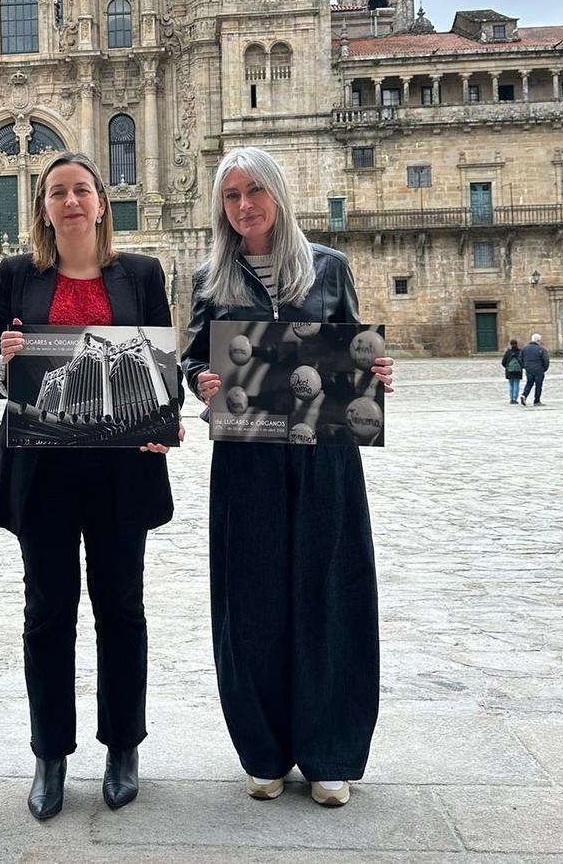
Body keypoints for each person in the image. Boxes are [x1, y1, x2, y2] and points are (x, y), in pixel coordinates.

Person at [181, 146, 394, 808]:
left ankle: (330, 749)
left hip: (323, 455)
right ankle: (265, 748)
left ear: (277, 193)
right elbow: (193, 361)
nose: (244, 206)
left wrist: (377, 373)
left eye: (254, 191)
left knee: (329, 591)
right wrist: (203, 381)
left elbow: (357, 348)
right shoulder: (209, 279)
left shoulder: (329, 268)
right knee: (251, 600)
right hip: (246, 458)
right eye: (232, 195)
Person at [0, 152, 179, 820]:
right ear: (43, 207)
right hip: (45, 473)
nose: (70, 201)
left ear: (100, 204)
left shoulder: (141, 275)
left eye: (80, 190)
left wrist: (165, 421)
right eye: (57, 191)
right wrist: (4, 367)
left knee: (122, 610)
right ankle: (49, 754)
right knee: (47, 615)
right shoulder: (16, 276)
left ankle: (124, 746)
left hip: (121, 469)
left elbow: (160, 370)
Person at [520, 333, 549, 406]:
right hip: (539, 369)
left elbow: (520, 359)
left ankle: (524, 395)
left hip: (529, 369)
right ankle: (537, 400)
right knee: (538, 385)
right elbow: (546, 360)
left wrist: (524, 366)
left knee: (529, 383)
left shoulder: (525, 349)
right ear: (538, 341)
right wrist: (544, 368)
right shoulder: (542, 349)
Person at [501, 338, 523, 404]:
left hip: (509, 371)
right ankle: (514, 398)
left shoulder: (508, 352)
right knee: (516, 384)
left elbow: (503, 362)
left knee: (511, 384)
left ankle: (511, 399)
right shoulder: (520, 351)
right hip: (518, 371)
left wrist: (507, 367)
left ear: (510, 344)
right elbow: (522, 361)